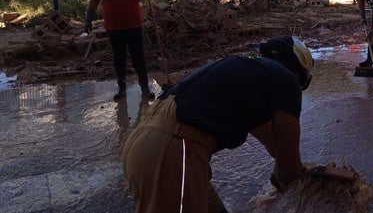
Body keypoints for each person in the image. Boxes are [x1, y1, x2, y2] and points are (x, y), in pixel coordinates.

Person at [121, 36, 314, 213]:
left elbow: (275, 144)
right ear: (297, 72)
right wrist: (289, 176)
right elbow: (288, 170)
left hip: (143, 146)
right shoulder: (285, 80)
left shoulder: (245, 77)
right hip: (172, 153)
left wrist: (292, 165)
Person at [84, 0, 155, 101]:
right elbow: (94, 1)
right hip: (114, 27)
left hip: (134, 25)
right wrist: (88, 19)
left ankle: (145, 87)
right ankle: (121, 88)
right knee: (119, 59)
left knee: (138, 58)